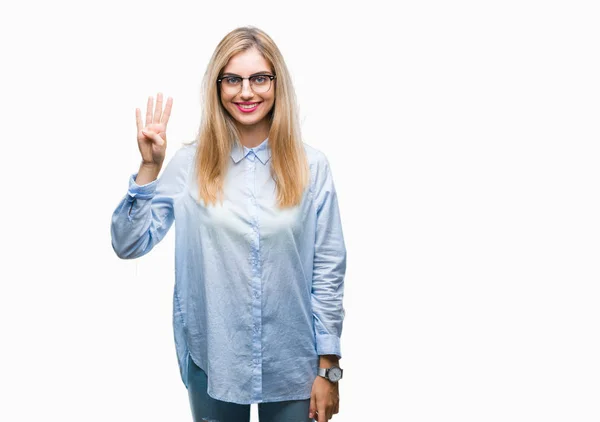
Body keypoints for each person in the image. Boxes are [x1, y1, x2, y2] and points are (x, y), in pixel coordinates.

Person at [110, 26, 346, 422]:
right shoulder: (190, 165)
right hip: (214, 361)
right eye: (232, 79)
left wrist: (329, 368)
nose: (246, 92)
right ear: (217, 87)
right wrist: (150, 167)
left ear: (277, 83)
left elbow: (328, 269)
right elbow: (128, 244)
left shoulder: (312, 166)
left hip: (294, 363)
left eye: (259, 78)